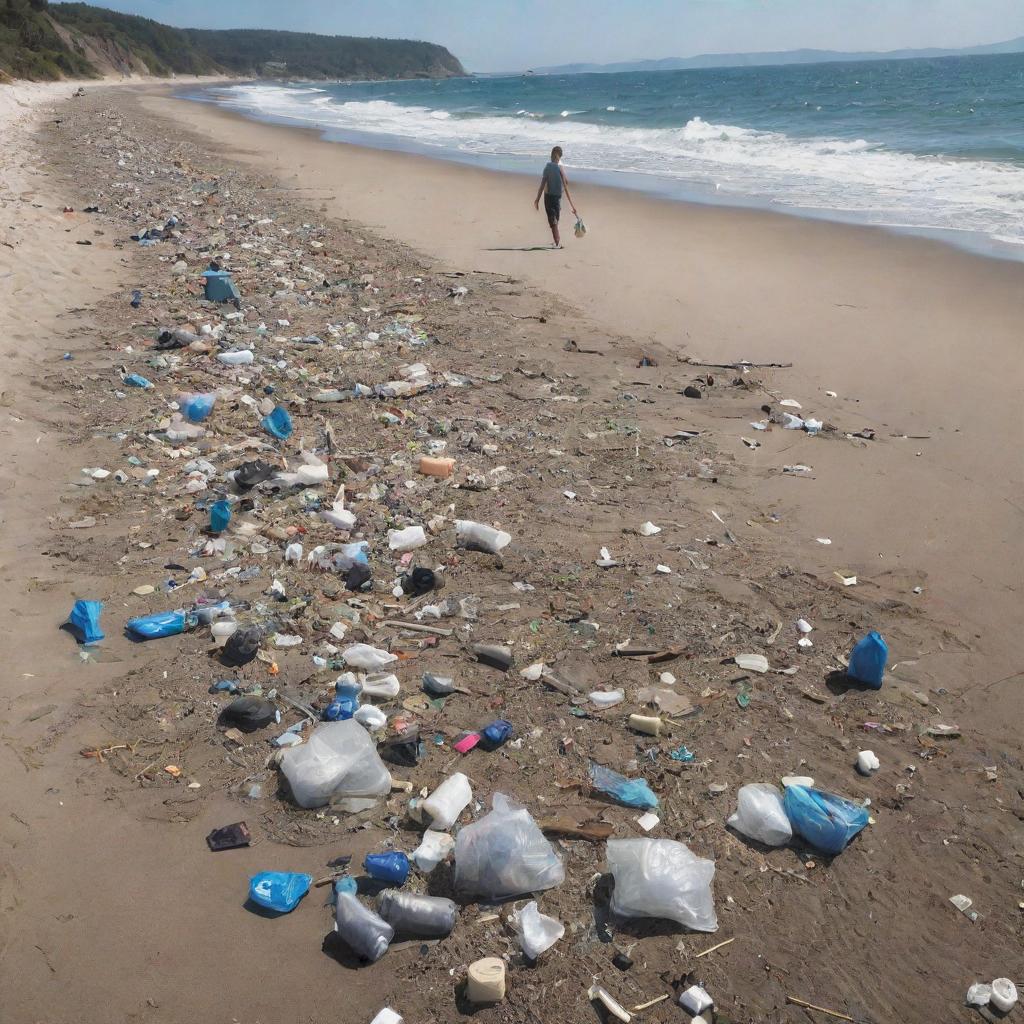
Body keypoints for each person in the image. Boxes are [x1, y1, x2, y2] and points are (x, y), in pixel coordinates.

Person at [534, 145, 578, 248]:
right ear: (559, 157)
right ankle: (557, 241)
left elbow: (542, 185)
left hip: (548, 197)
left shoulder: (547, 167)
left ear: (551, 155)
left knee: (553, 220)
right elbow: (566, 183)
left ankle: (557, 241)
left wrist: (537, 199)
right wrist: (572, 205)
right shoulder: (560, 168)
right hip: (557, 197)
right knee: (555, 219)